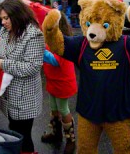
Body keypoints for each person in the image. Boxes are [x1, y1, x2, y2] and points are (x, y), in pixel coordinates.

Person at [0, 0, 44, 154]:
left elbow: (33, 67)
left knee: (23, 135)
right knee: (14, 129)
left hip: (25, 97)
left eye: (6, 18)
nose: (4, 22)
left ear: (17, 14)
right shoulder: (6, 30)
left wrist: (3, 64)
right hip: (9, 94)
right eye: (1, 19)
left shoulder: (33, 35)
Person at [41, 14, 77, 154]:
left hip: (63, 83)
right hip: (53, 81)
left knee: (63, 109)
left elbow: (56, 61)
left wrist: (41, 50)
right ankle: (56, 134)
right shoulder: (50, 39)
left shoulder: (64, 41)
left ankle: (70, 140)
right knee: (54, 107)